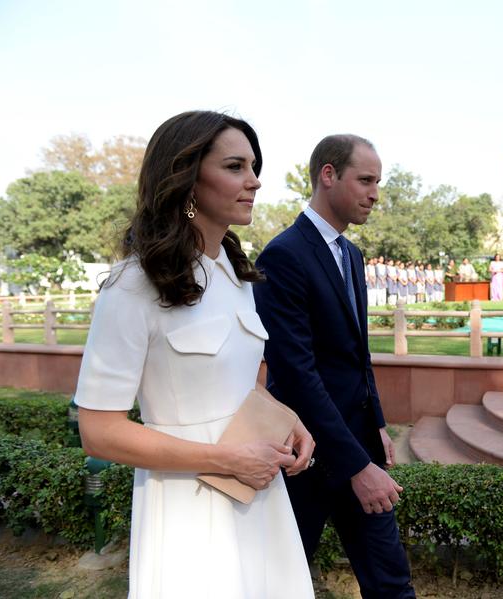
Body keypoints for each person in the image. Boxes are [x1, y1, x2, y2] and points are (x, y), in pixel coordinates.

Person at [74, 111, 315, 598]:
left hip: (256, 491)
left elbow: (239, 378)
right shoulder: (134, 285)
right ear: (185, 177)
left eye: (253, 165)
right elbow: (98, 432)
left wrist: (286, 418)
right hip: (186, 503)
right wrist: (224, 458)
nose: (255, 180)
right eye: (235, 166)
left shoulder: (234, 271)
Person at [254, 134, 415, 598]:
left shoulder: (352, 254)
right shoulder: (283, 256)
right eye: (365, 180)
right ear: (328, 174)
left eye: (377, 182)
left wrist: (378, 424)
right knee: (283, 583)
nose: (375, 193)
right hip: (306, 454)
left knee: (391, 581)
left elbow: (357, 355)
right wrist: (355, 466)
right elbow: (296, 374)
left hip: (358, 441)